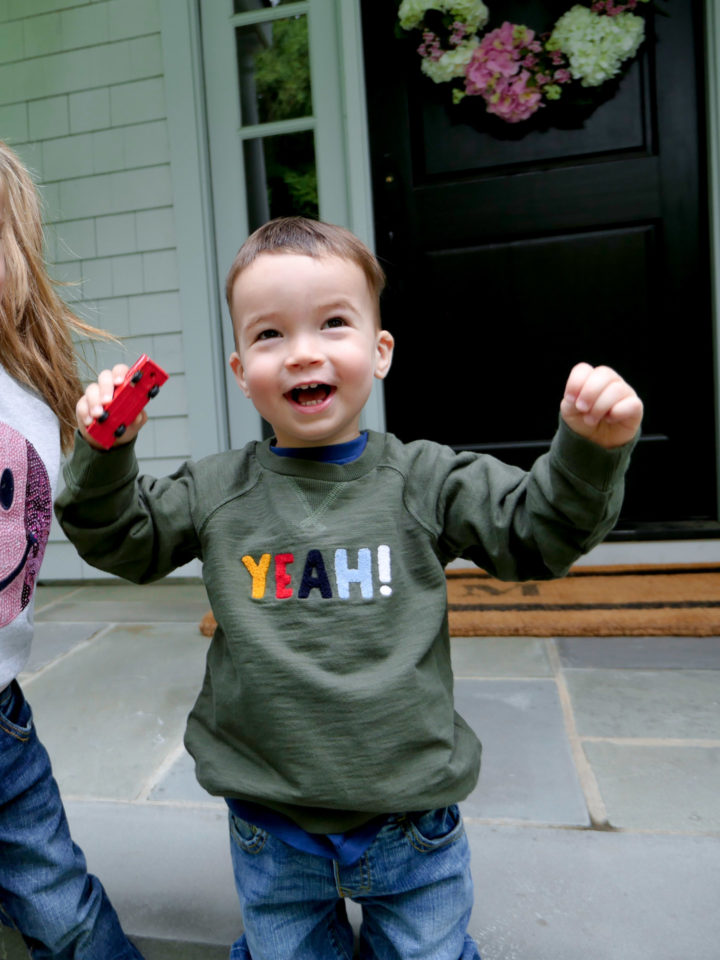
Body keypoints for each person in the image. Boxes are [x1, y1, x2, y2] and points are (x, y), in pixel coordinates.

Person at [56, 216, 643, 960]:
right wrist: (105, 455)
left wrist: (589, 453)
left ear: (379, 350)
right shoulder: (216, 491)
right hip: (271, 821)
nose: (303, 351)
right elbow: (123, 541)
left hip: (409, 818)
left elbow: (536, 532)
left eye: (333, 323)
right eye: (270, 335)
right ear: (241, 372)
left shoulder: (426, 478)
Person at [0, 140, 144, 960]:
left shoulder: (25, 395)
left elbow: (97, 520)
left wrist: (108, 448)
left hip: (0, 726)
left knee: (65, 914)